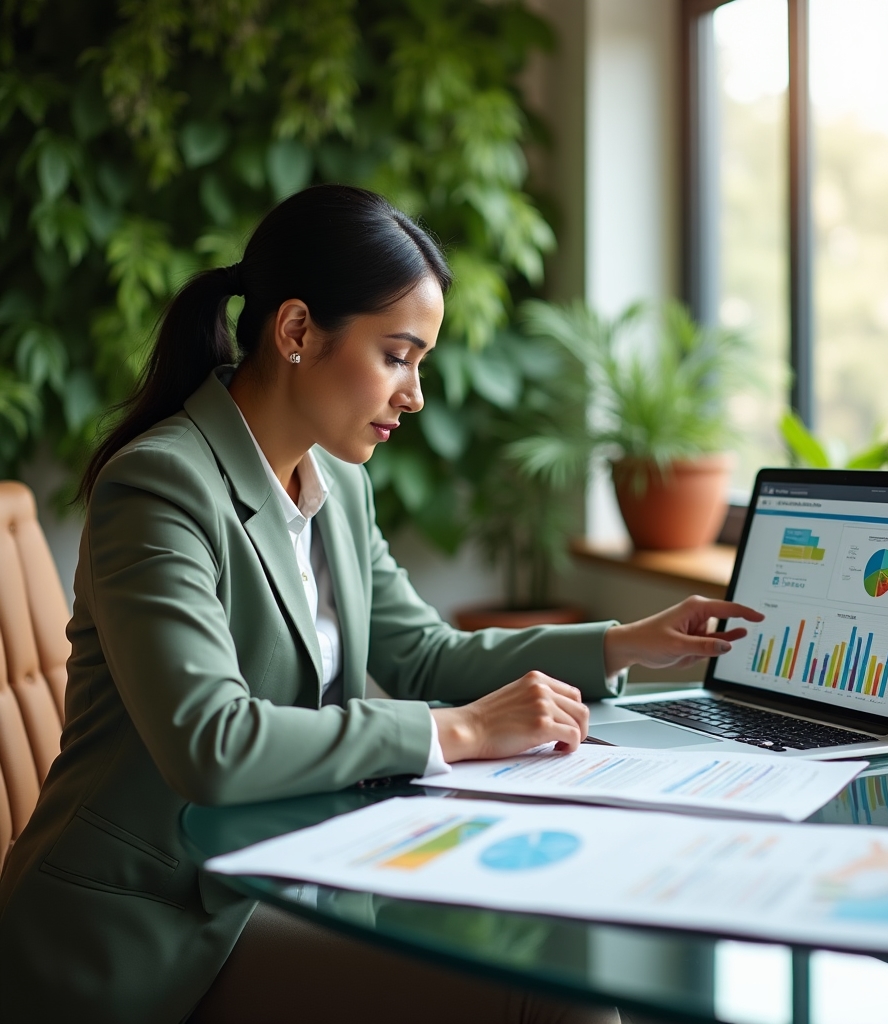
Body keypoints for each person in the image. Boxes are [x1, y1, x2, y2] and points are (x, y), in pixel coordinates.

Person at [0, 184, 760, 1023]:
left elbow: (424, 654)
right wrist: (459, 729)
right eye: (397, 355)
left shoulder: (341, 486)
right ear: (295, 332)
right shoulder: (161, 484)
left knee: (567, 942)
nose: (415, 394)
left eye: (421, 361)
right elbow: (210, 743)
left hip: (298, 871)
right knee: (553, 996)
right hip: (152, 930)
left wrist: (623, 643)